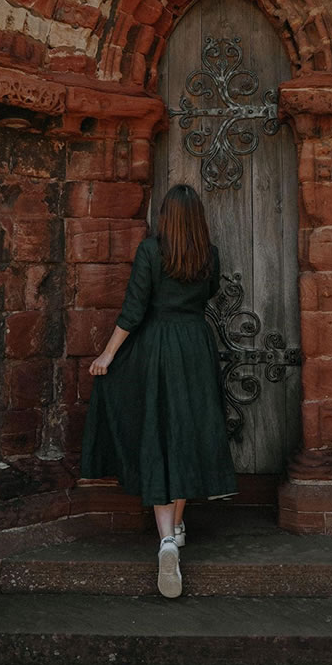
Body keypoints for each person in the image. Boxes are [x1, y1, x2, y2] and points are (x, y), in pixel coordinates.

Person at [80, 183, 237, 599]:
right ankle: (177, 529)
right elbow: (209, 294)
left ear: (165, 217)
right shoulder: (209, 255)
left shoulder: (151, 251)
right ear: (198, 218)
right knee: (185, 435)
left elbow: (134, 310)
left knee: (159, 434)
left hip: (158, 348)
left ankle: (167, 539)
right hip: (197, 348)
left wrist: (108, 356)